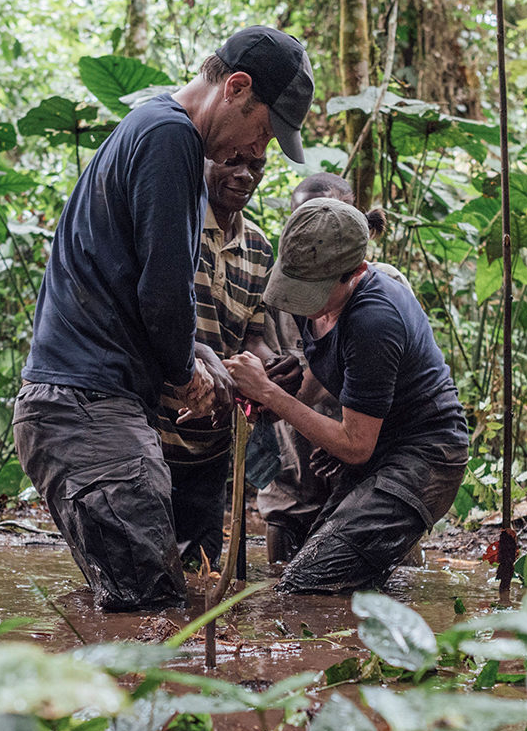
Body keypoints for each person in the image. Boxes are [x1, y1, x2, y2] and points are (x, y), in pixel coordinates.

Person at [14, 27, 314, 611]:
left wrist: (195, 356)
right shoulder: (171, 137)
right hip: (87, 408)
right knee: (153, 616)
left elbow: (137, 287)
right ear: (236, 87)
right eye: (263, 131)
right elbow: (164, 291)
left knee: (134, 612)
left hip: (82, 406)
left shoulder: (153, 126)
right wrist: (187, 375)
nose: (258, 151)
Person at [225, 199, 468, 594]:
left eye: (312, 292)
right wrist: (274, 395)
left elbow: (356, 446)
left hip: (426, 454)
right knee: (319, 568)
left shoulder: (375, 318)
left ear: (355, 273)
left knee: (310, 582)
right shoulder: (317, 300)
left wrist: (267, 390)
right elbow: (323, 380)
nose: (302, 304)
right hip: (379, 446)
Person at [154, 152, 301, 570]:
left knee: (211, 580)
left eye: (256, 165)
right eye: (232, 161)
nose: (245, 175)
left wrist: (275, 366)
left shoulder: (257, 246)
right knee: (149, 577)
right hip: (154, 433)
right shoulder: (174, 225)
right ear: (201, 159)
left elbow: (250, 338)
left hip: (214, 443)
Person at [257, 174, 400, 564]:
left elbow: (399, 385)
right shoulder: (278, 289)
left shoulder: (382, 288)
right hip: (294, 483)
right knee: (282, 600)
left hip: (366, 478)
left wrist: (351, 447)